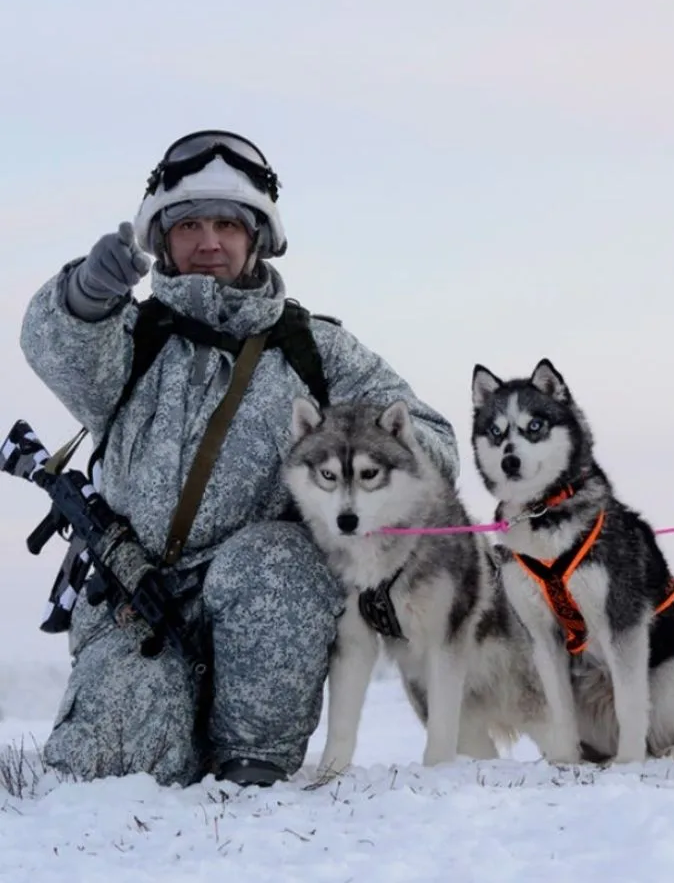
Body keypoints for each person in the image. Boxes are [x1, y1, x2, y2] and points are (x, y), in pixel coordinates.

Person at [20, 130, 459, 786]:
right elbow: (61, 350)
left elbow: (431, 443)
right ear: (161, 238)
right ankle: (172, 733)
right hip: (133, 597)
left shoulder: (314, 349)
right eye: (189, 224)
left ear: (257, 238)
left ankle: (253, 763)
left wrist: (359, 463)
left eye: (227, 224)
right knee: (108, 775)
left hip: (263, 594)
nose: (208, 242)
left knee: (278, 558)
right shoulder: (131, 337)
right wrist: (86, 296)